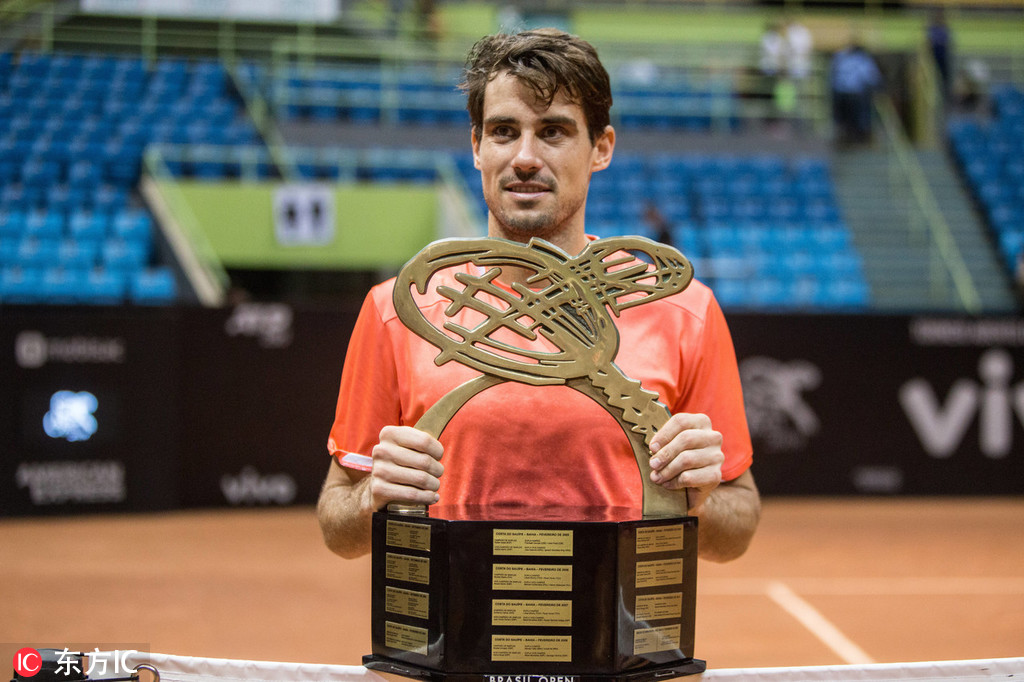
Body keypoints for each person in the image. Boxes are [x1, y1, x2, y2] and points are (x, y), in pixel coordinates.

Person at [317, 28, 760, 563]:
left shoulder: (688, 312)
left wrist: (701, 499)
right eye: (504, 131)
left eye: (553, 132)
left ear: (601, 148)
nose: (525, 157)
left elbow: (737, 526)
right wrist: (372, 496)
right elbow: (337, 524)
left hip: (623, 618)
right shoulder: (393, 311)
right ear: (477, 146)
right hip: (451, 618)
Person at [830, 39, 882, 146]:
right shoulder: (862, 60)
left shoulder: (840, 58)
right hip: (855, 94)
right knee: (859, 119)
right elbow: (871, 77)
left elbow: (834, 76)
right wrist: (879, 88)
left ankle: (845, 140)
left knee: (844, 121)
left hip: (840, 94)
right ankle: (859, 141)